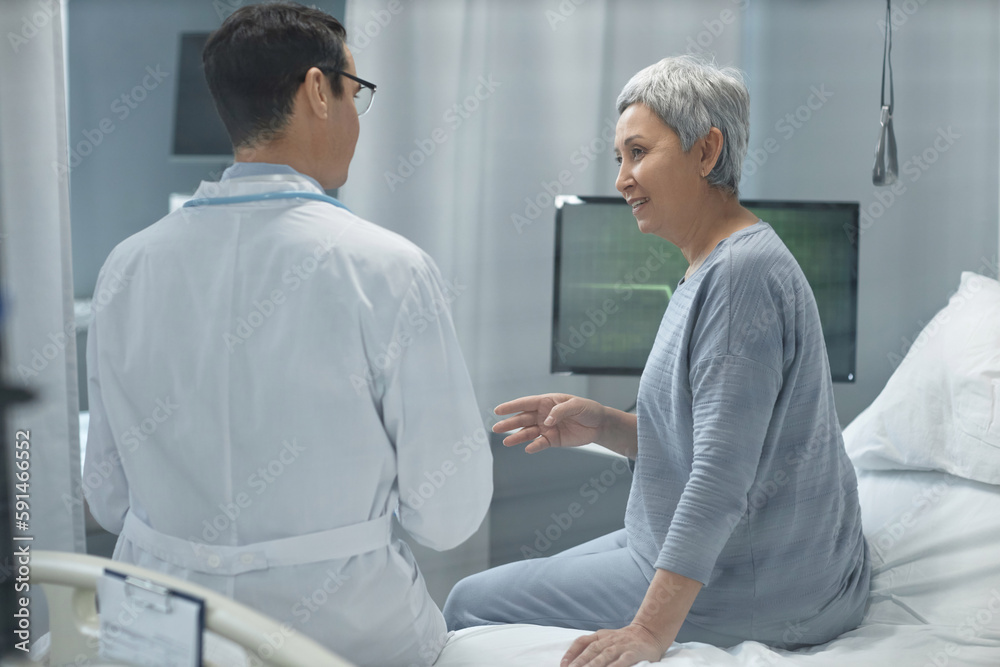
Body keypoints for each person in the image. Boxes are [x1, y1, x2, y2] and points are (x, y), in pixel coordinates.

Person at [83, 4, 492, 666]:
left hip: (160, 639)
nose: (358, 117)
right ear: (315, 91)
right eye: (354, 92)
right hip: (347, 637)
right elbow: (450, 513)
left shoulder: (126, 267)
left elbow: (105, 495)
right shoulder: (388, 269)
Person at [443, 55, 870, 667]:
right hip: (746, 559)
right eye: (619, 157)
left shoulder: (741, 276)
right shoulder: (714, 264)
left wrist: (647, 633)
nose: (622, 178)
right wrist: (605, 424)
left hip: (758, 587)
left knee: (466, 602)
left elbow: (721, 480)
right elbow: (715, 442)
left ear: (706, 151)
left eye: (638, 153)